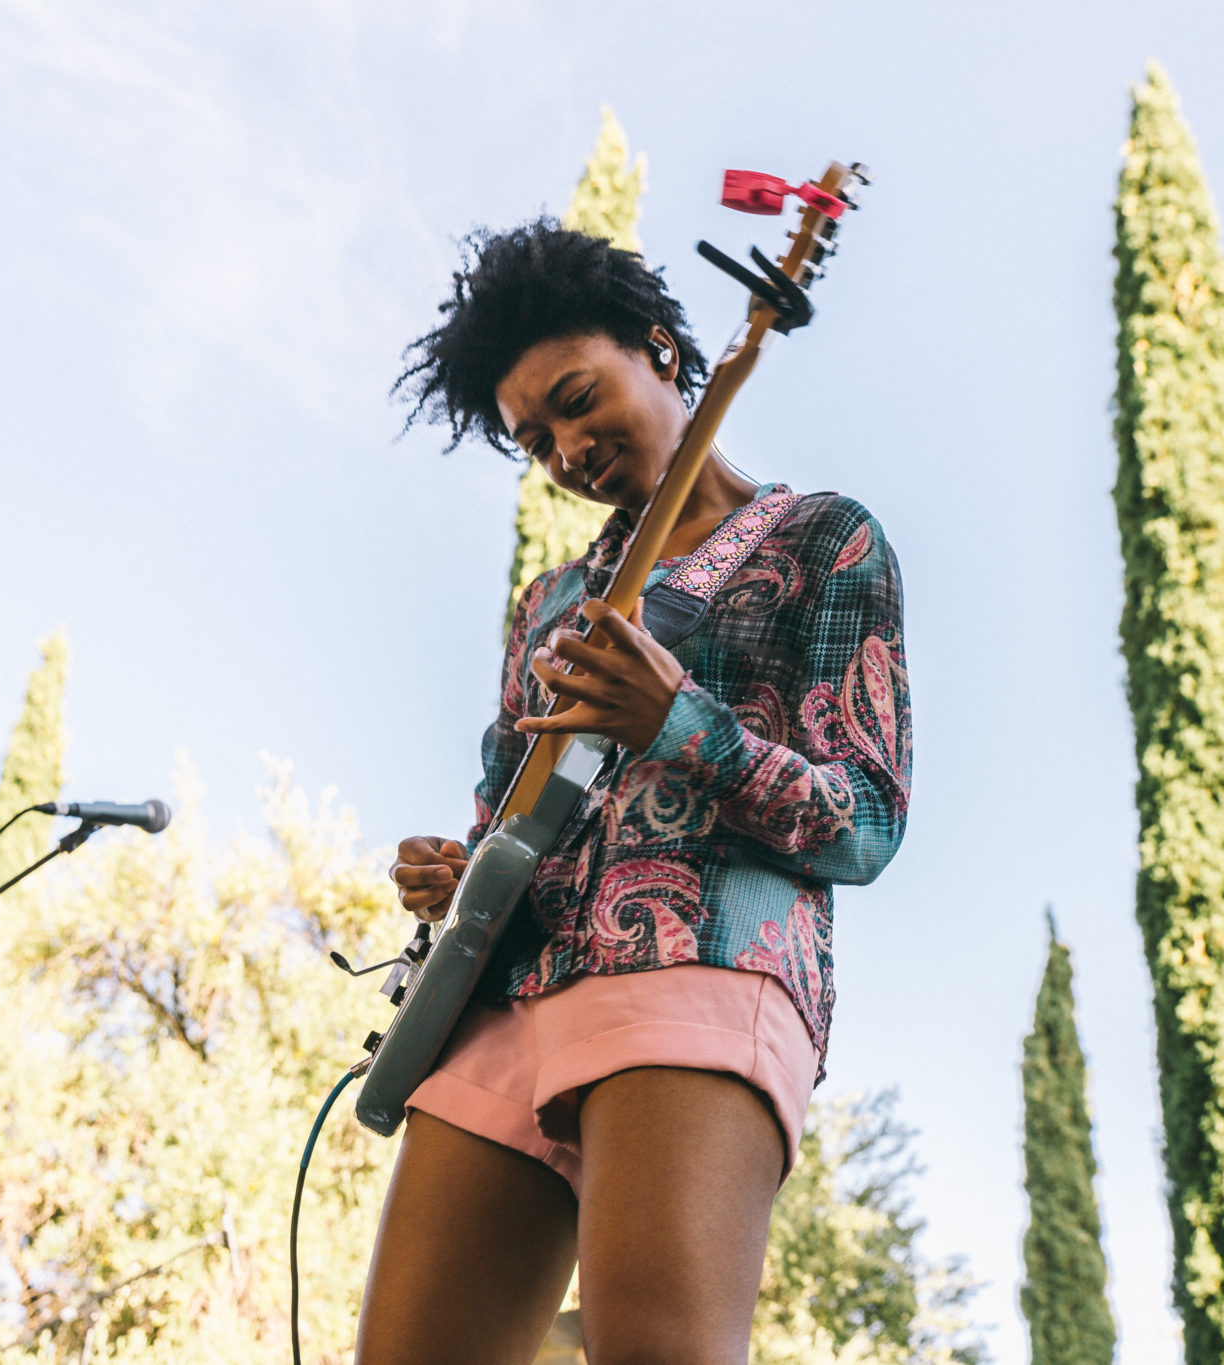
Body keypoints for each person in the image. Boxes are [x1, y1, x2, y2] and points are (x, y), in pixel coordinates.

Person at [358, 220, 911, 1365]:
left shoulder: (820, 539)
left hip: (701, 966)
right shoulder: (550, 600)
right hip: (510, 992)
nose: (563, 447)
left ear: (662, 350)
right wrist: (454, 869)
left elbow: (861, 819)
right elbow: (505, 806)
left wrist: (679, 725)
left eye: (574, 397)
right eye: (532, 438)